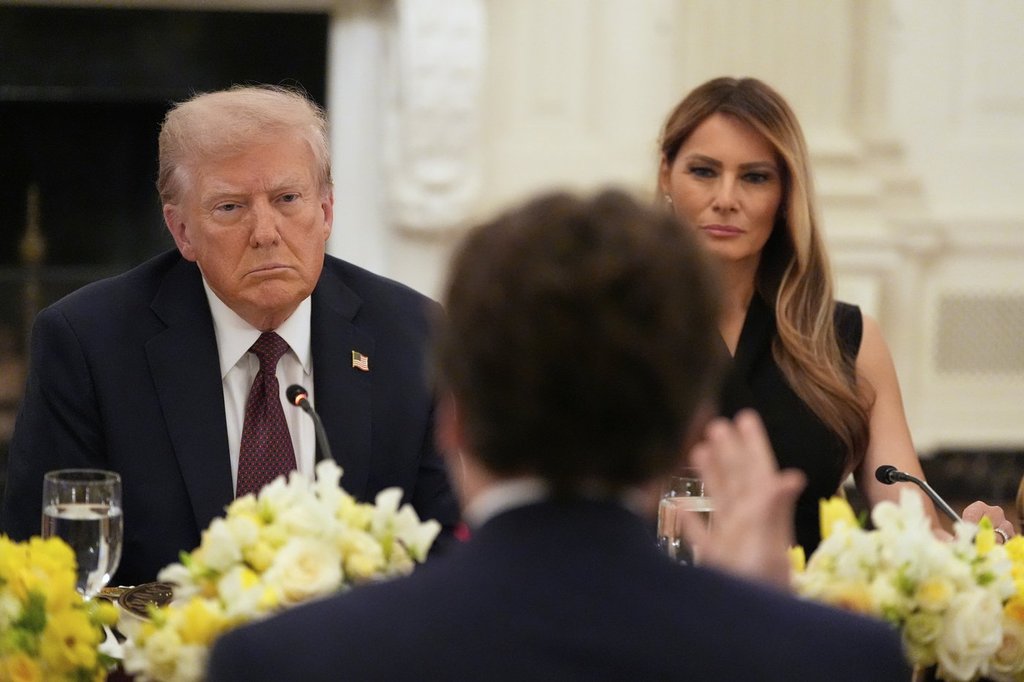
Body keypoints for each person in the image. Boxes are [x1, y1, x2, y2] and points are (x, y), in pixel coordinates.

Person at [206, 190, 910, 681]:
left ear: (452, 417)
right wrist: (765, 626)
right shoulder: (840, 662)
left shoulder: (282, 664)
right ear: (690, 428)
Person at [0, 85, 459, 586]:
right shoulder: (89, 343)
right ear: (182, 232)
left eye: (287, 199)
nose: (265, 231)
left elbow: (448, 551)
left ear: (325, 212)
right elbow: (42, 573)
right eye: (230, 208)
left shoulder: (411, 334)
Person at [657, 76, 1012, 554]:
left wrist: (974, 548)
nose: (726, 198)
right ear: (666, 176)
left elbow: (910, 530)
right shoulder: (611, 329)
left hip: (800, 616)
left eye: (755, 177)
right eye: (703, 171)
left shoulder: (847, 339)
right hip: (640, 615)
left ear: (785, 195)